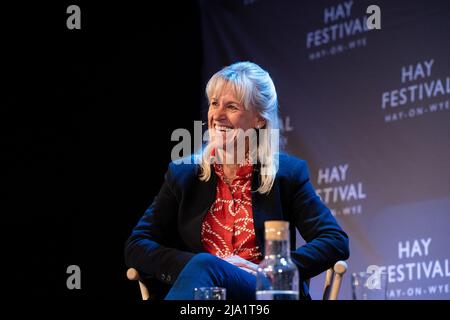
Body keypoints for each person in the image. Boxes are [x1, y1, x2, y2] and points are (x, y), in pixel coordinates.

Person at [125, 61, 349, 300]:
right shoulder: (183, 174)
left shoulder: (286, 174)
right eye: (214, 104)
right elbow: (137, 245)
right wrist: (199, 267)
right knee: (205, 267)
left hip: (265, 293)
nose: (217, 116)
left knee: (205, 266)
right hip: (205, 296)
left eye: (231, 106)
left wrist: (272, 269)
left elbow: (335, 241)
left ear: (259, 120)